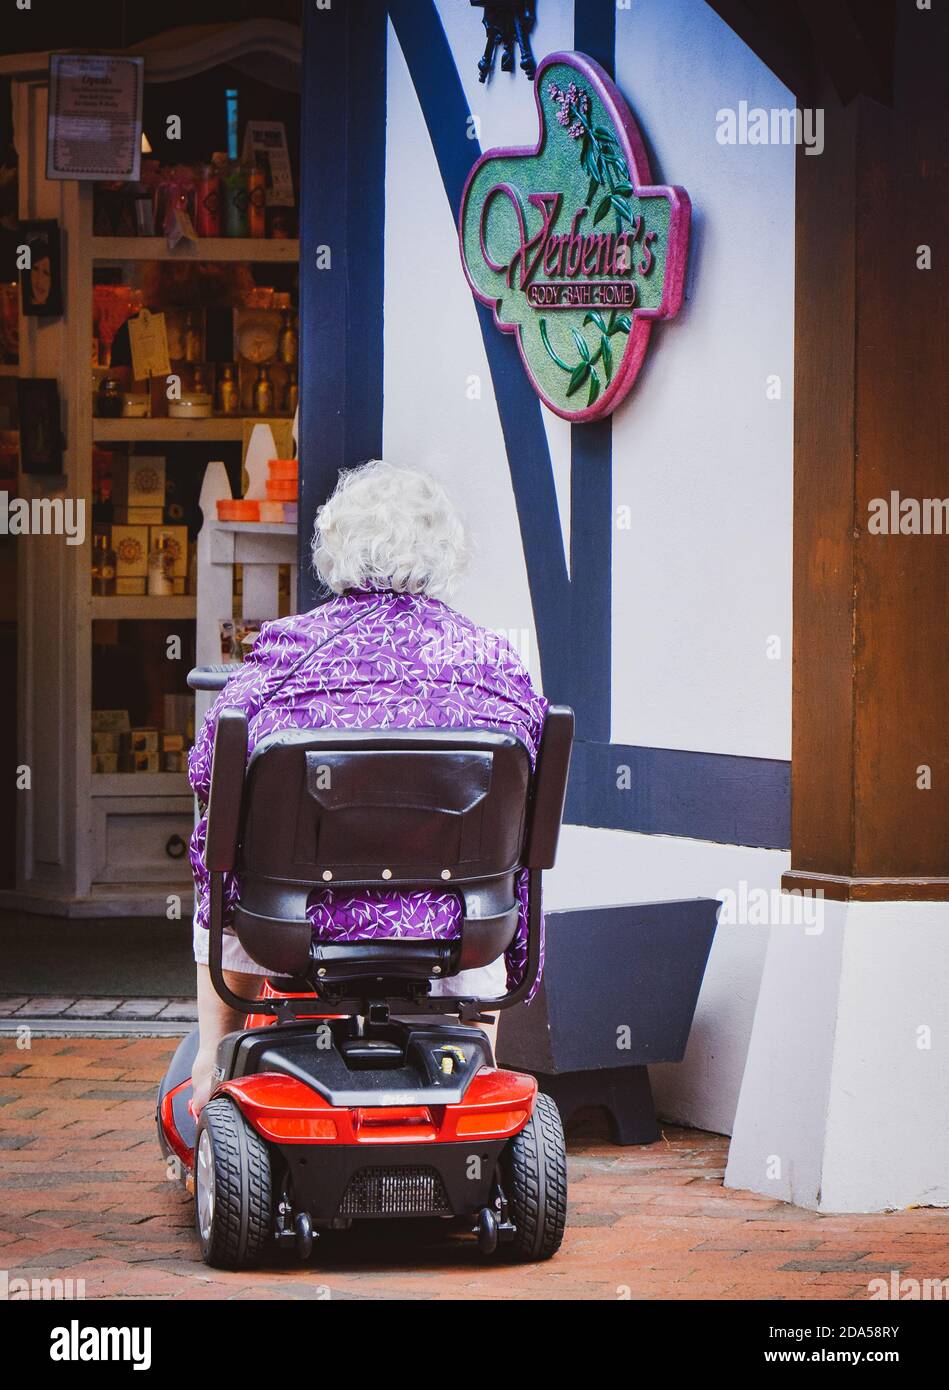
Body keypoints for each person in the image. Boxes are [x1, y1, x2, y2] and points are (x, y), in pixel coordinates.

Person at [189, 460, 547, 1112]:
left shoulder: (283, 654)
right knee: (504, 860)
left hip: (294, 920)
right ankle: (477, 1072)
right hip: (459, 922)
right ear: (445, 552)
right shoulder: (495, 664)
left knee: (222, 842)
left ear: (334, 548)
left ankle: (214, 1058)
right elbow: (530, 795)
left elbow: (209, 769)